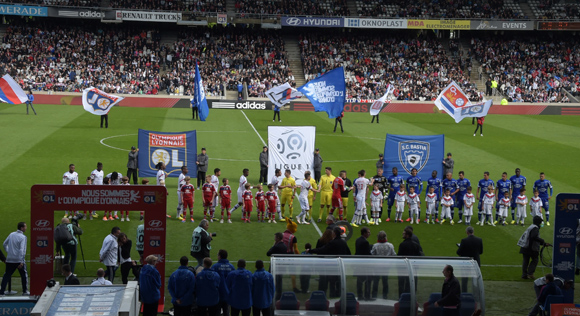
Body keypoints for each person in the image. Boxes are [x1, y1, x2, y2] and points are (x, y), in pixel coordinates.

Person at [0, 222, 28, 295]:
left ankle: (2, 292)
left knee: (6, 275)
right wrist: (21, 261)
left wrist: (9, 252)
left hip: (10, 259)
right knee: (23, 275)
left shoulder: (11, 234)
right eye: (25, 226)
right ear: (22, 228)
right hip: (18, 260)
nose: (26, 228)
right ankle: (25, 291)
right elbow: (22, 250)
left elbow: (4, 244)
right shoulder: (23, 237)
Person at [371, 231, 396, 299]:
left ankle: (374, 295)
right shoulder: (390, 245)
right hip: (386, 266)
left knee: (376, 281)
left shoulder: (375, 245)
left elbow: (372, 255)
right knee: (385, 281)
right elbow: (394, 255)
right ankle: (385, 296)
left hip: (377, 266)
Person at [397, 228, 422, 296]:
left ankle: (401, 297)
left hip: (403, 267)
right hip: (413, 267)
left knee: (401, 283)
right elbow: (418, 255)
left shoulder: (402, 244)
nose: (403, 234)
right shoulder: (416, 245)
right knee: (410, 283)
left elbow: (399, 256)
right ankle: (410, 297)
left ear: (407, 235)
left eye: (404, 233)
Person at [212, 250, 235, 316]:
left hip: (218, 294)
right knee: (226, 312)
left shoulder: (215, 267)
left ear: (220, 256)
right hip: (228, 294)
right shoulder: (231, 267)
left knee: (217, 312)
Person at [355, 227, 372, 301]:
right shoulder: (365, 242)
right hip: (364, 264)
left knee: (359, 280)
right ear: (364, 233)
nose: (369, 234)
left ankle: (360, 295)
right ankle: (367, 296)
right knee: (367, 280)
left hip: (358, 263)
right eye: (368, 232)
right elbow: (367, 253)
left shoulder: (358, 240)